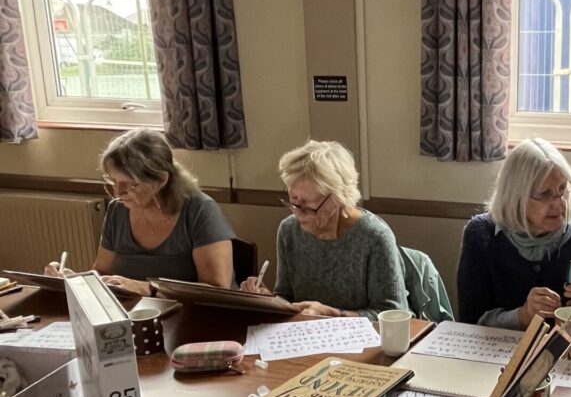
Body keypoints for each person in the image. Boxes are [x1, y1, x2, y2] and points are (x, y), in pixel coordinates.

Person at [44, 129, 234, 295]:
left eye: (131, 184)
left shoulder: (200, 210)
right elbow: (102, 273)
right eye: (113, 181)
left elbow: (217, 290)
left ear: (161, 180)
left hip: (194, 317)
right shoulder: (118, 210)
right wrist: (74, 280)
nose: (118, 193)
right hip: (133, 314)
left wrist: (149, 289)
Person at [457, 138, 571, 331]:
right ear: (515, 196)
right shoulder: (481, 235)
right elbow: (469, 324)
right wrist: (522, 316)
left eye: (562, 189)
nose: (560, 204)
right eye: (545, 194)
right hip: (500, 349)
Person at [241, 140, 407, 319]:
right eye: (293, 201)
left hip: (357, 336)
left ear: (338, 197)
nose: (298, 214)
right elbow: (286, 297)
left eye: (308, 206)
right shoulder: (289, 230)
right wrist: (267, 300)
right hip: (304, 332)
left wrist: (334, 314)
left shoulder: (374, 236)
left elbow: (393, 314)